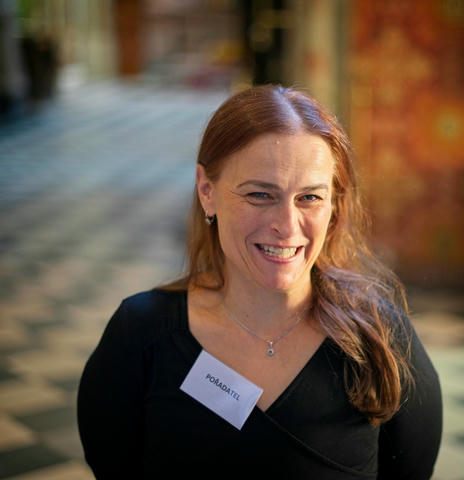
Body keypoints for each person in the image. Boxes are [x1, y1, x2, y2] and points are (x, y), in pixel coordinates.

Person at [77, 84, 442, 479]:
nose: (287, 226)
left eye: (309, 197)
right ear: (207, 191)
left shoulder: (382, 338)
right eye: (260, 195)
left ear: (334, 204)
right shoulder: (141, 333)